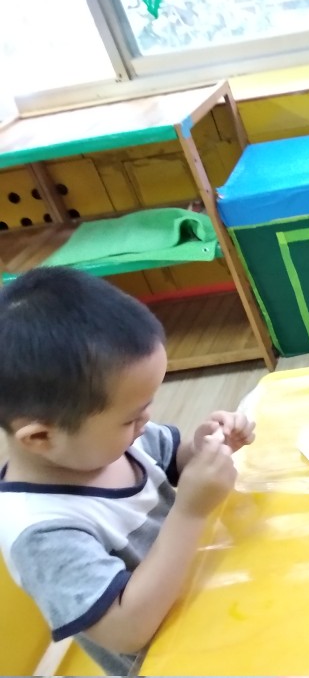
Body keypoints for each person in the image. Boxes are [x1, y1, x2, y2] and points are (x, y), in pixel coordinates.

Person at [0, 267, 254, 674]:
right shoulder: (41, 534)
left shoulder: (107, 443)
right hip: (176, 659)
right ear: (41, 437)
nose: (146, 422)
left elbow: (174, 461)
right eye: (131, 417)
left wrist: (205, 446)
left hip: (213, 598)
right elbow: (128, 630)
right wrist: (190, 511)